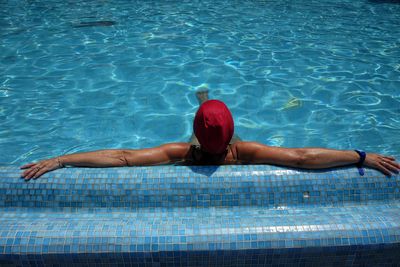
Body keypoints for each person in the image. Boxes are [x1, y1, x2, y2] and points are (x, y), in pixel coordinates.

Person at [21, 91, 399, 180]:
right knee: (214, 111)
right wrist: (360, 156)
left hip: (198, 145)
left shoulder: (180, 151)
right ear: (234, 133)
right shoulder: (245, 151)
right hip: (227, 145)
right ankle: (208, 100)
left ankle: (203, 100)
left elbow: (121, 156)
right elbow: (301, 158)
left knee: (207, 109)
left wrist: (61, 159)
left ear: (192, 132)